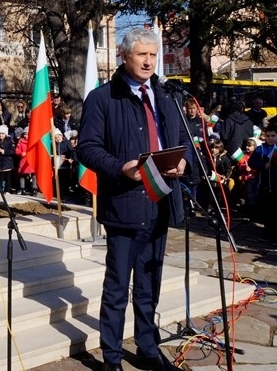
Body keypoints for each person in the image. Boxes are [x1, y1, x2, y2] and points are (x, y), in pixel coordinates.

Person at [76, 28, 192, 371]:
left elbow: (182, 136)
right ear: (124, 57)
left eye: (153, 55)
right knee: (116, 289)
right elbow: (87, 148)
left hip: (160, 202)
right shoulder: (102, 98)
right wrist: (119, 168)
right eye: (142, 55)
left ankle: (148, 349)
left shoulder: (167, 95)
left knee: (149, 284)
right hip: (125, 204)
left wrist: (183, 160)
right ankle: (111, 358)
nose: (148, 61)